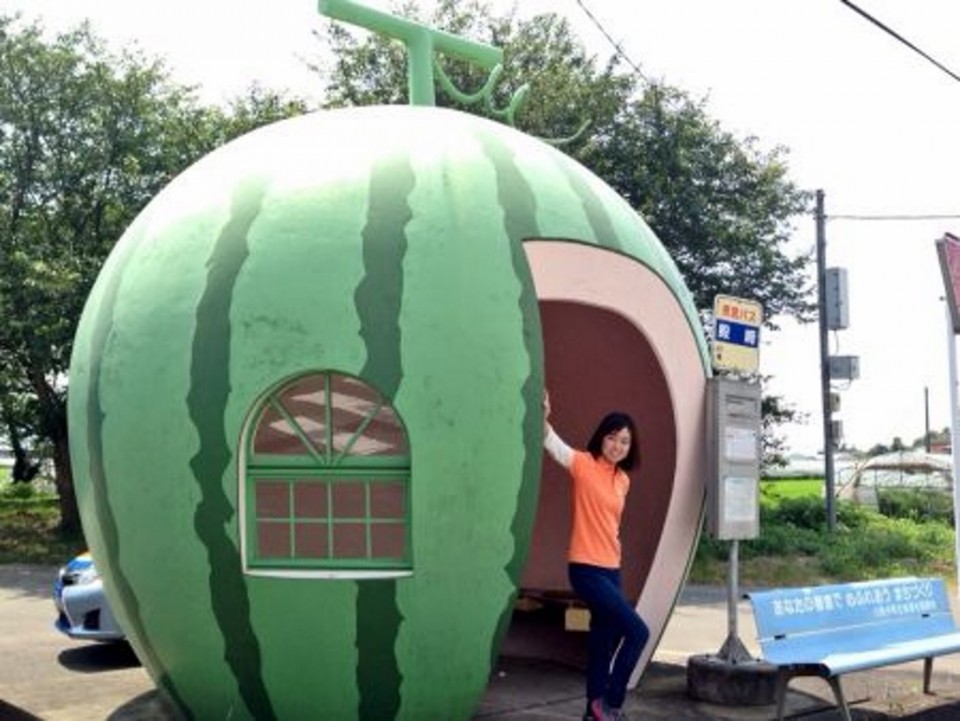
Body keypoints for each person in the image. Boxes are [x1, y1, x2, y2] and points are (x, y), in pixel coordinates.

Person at [542, 392, 650, 721]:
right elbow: (551, 442)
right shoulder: (583, 464)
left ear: (630, 447)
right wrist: (543, 416)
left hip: (611, 569)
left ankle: (593, 711)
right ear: (602, 437)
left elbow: (610, 525)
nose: (617, 446)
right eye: (613, 437)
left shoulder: (623, 480)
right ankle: (611, 704)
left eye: (625, 441)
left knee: (603, 640)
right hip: (585, 569)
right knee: (638, 632)